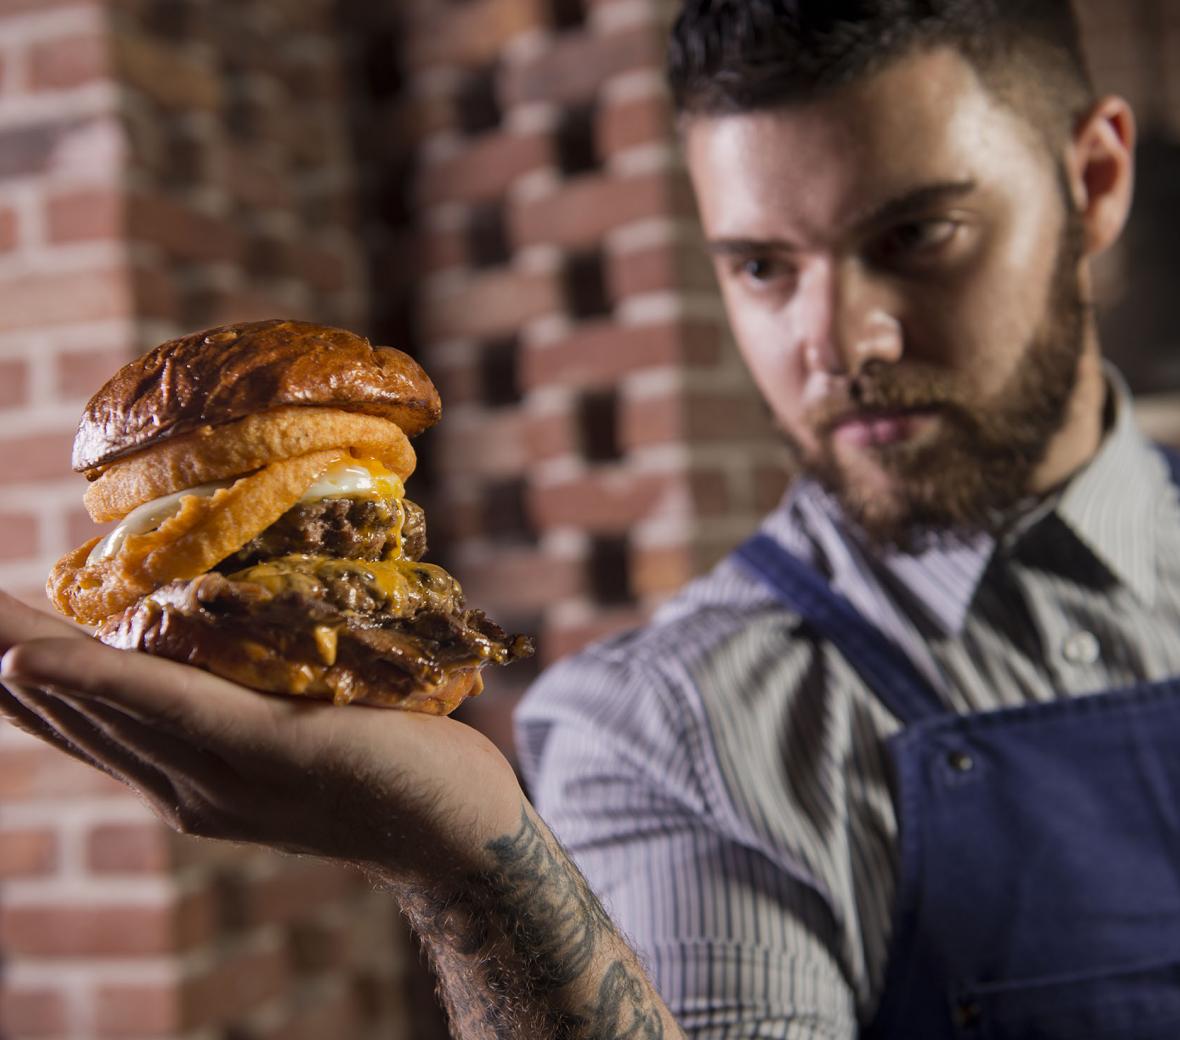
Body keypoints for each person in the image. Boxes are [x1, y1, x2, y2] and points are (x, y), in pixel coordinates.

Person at [0, 1, 1172, 1036]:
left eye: (916, 237)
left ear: (1095, 178)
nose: (839, 342)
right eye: (763, 265)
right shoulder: (663, 732)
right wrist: (471, 868)